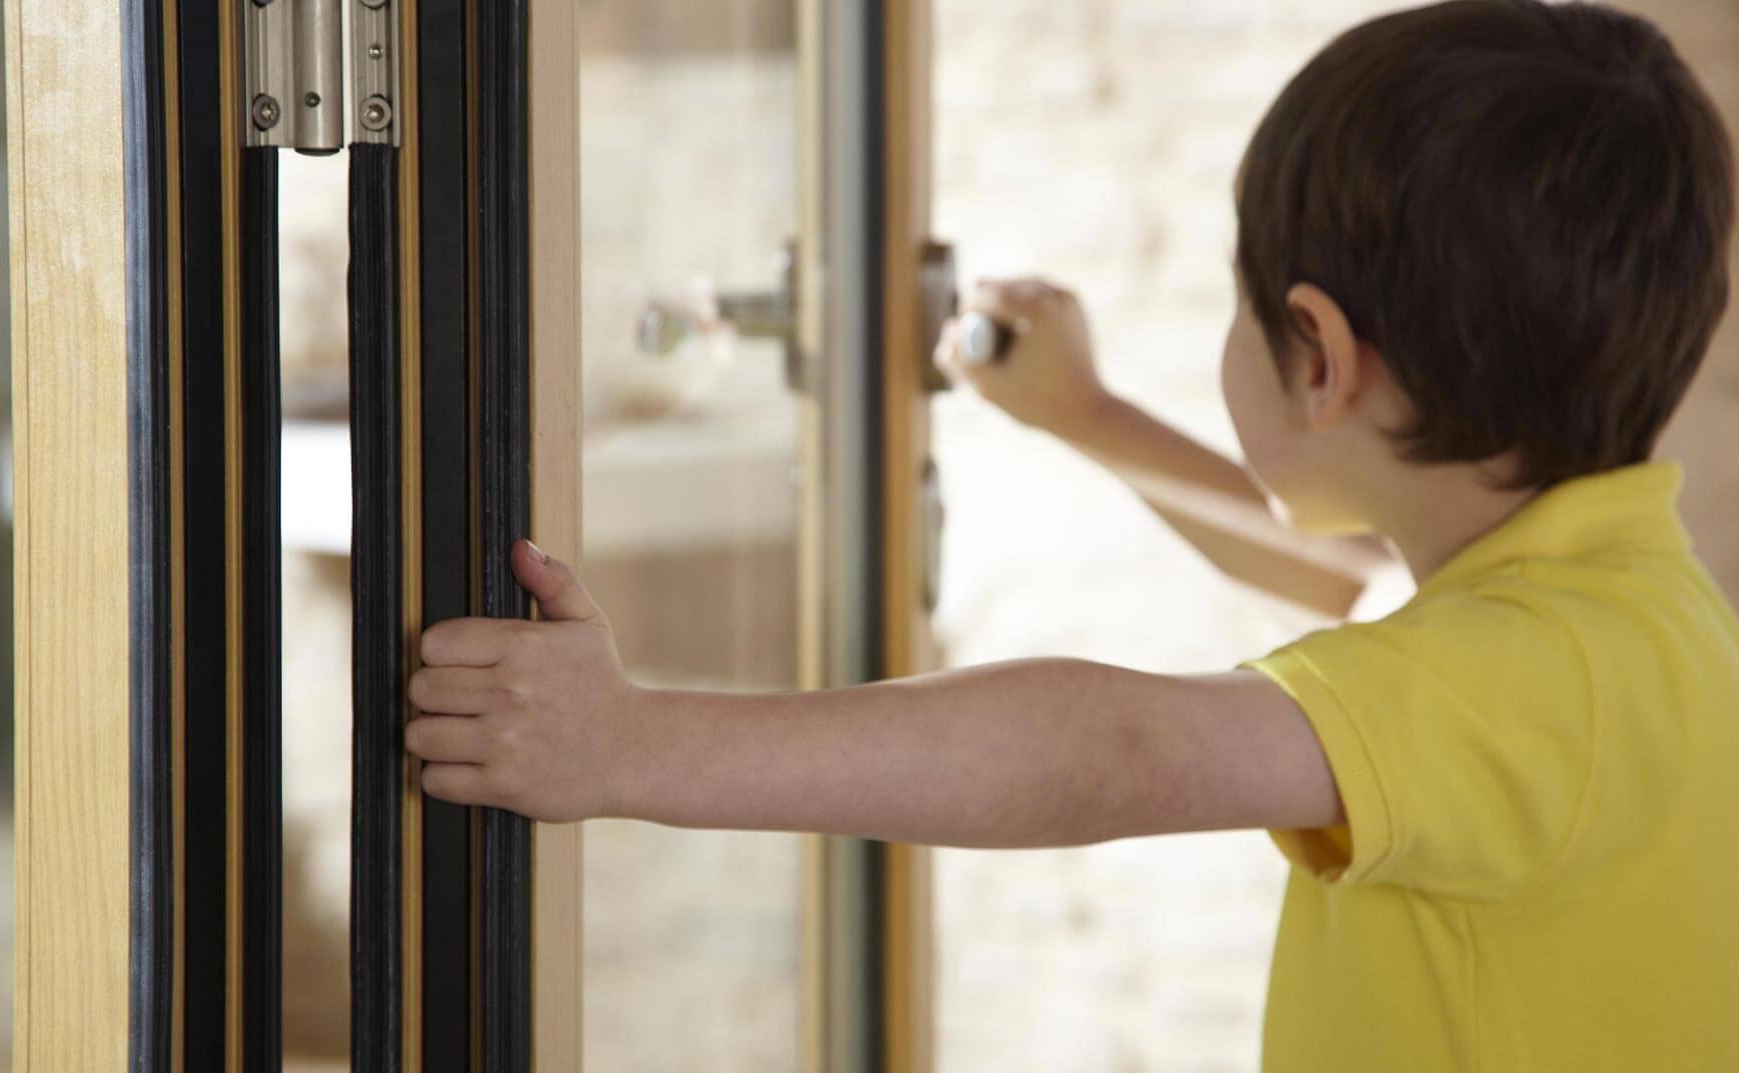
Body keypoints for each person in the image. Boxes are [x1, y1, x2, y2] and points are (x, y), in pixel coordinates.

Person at [402, 2, 1739, 1068]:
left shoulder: (1519, 674)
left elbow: (1111, 751)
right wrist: (1087, 414)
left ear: (1319, 352)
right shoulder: (1621, 614)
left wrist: (628, 744)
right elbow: (1330, 572)